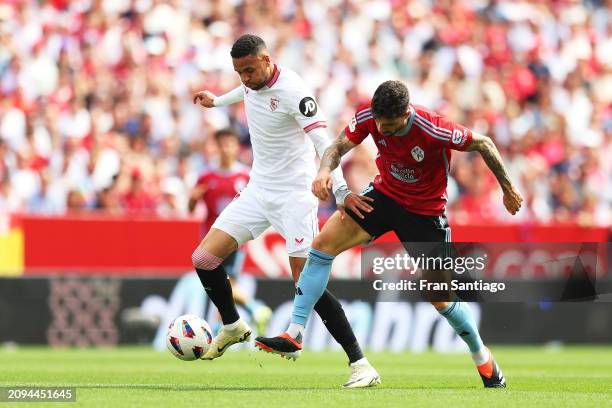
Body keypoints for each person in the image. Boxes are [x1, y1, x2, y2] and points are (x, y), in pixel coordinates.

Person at [256, 80, 524, 389]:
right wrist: (323, 172)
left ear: (406, 113)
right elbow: (336, 147)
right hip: (384, 198)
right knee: (321, 245)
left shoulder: (433, 127)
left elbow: (484, 143)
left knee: (441, 299)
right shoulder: (371, 117)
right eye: (380, 126)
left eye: (392, 128)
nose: (384, 132)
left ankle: (483, 358)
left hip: (425, 216)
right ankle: (296, 331)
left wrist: (508, 188)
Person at [192, 34, 380, 388]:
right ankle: (232, 326)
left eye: (249, 70)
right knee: (203, 258)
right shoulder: (250, 82)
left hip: (295, 196)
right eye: (238, 72)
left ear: (267, 60)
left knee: (305, 284)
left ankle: (361, 364)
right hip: (257, 191)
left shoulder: (295, 91)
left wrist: (339, 189)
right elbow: (245, 93)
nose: (244, 78)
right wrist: (218, 102)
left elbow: (326, 143)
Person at [188, 128, 271, 336]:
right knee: (219, 287)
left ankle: (225, 327)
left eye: (230, 143)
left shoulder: (245, 175)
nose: (226, 148)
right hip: (210, 239)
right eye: (222, 144)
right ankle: (253, 312)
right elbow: (191, 209)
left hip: (235, 241)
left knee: (225, 286)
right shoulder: (206, 176)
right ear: (216, 147)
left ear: (236, 147)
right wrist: (192, 198)